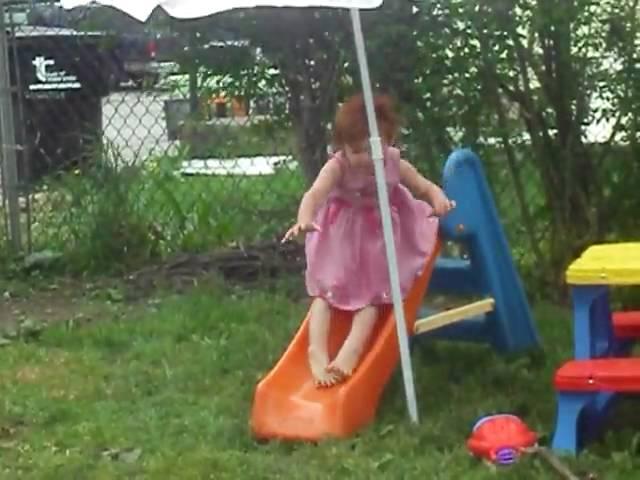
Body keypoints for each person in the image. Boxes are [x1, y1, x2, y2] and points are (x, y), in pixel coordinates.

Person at [282, 93, 455, 387]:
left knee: (373, 299)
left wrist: (438, 198)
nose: (366, 159)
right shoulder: (337, 166)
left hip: (377, 239)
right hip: (342, 239)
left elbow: (423, 186)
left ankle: (350, 353)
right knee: (325, 295)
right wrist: (304, 218)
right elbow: (314, 194)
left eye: (373, 149)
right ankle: (317, 352)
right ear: (341, 146)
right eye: (356, 150)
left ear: (388, 142)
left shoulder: (393, 162)